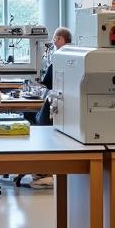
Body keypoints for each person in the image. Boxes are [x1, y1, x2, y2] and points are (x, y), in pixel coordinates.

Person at [30, 27, 73, 189]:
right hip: (68, 105)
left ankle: (43, 172)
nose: (54, 41)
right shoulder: (75, 54)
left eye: (55, 38)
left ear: (62, 39)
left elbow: (47, 81)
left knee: (40, 126)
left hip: (56, 103)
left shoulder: (61, 56)